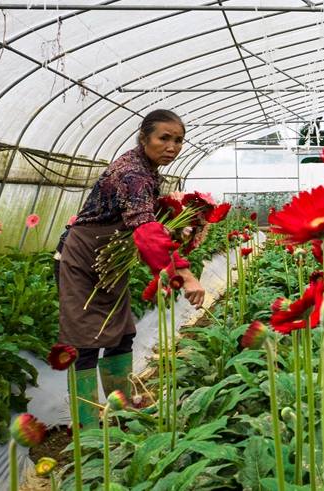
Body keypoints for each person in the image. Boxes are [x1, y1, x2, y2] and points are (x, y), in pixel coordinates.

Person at [56, 109, 205, 428]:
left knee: (121, 333)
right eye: (164, 138)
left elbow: (147, 220)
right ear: (143, 138)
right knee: (84, 341)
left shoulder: (148, 169)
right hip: (83, 257)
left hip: (108, 257)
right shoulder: (132, 173)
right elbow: (144, 226)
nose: (172, 146)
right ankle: (86, 423)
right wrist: (184, 273)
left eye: (178, 140)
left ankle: (120, 408)